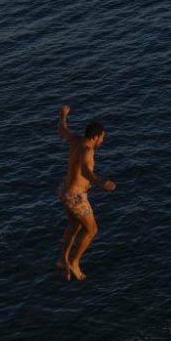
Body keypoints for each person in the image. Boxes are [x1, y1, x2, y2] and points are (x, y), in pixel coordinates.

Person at [57, 105, 117, 281]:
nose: (102, 141)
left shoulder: (76, 140)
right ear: (96, 136)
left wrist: (63, 115)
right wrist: (101, 182)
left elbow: (62, 130)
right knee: (92, 230)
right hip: (76, 196)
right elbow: (85, 171)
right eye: (102, 138)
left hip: (64, 191)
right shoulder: (88, 150)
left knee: (74, 226)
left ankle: (63, 260)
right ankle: (75, 262)